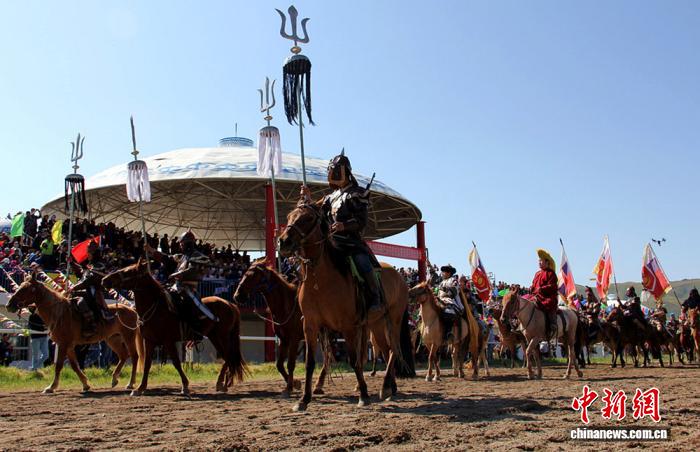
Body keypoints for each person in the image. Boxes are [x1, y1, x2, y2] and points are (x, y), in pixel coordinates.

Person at [300, 150, 382, 313]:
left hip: (351, 242)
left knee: (362, 262)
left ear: (343, 172)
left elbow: (361, 221)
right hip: (331, 241)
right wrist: (308, 198)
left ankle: (375, 296)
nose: (331, 172)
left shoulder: (358, 193)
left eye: (334, 169)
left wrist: (343, 226)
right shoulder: (330, 197)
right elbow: (315, 212)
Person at [146, 230, 217, 331]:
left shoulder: (197, 255)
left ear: (188, 243)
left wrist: (176, 274)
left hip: (188, 288)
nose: (180, 245)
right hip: (176, 286)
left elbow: (192, 269)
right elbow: (166, 258)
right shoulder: (182, 256)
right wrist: (151, 250)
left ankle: (195, 328)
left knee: (186, 303)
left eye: (182, 243)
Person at [530, 249, 558, 338]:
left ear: (547, 262)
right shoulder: (537, 273)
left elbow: (553, 286)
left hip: (546, 297)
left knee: (548, 304)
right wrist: (531, 288)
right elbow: (533, 284)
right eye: (539, 261)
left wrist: (542, 289)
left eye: (541, 261)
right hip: (536, 295)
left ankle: (552, 324)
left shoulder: (551, 273)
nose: (539, 262)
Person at [437, 264, 465, 341]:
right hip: (439, 299)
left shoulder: (453, 280)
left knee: (448, 311)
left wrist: (444, 289)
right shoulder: (441, 282)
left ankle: (448, 332)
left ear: (449, 273)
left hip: (449, 300)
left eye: (444, 272)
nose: (442, 273)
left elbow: (453, 292)